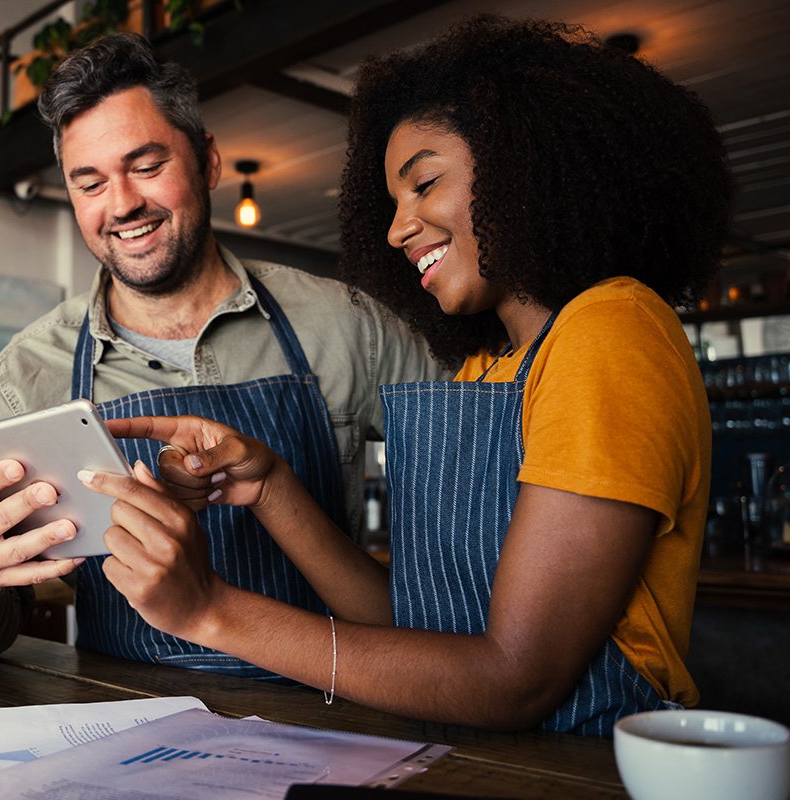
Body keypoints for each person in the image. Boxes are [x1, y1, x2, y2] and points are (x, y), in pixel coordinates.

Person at [78, 15, 731, 735]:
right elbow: (416, 631)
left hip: (585, 765)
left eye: (423, 184)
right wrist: (269, 487)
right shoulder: (492, 369)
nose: (397, 228)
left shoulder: (611, 331)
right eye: (392, 202)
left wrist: (209, 612)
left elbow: (516, 677)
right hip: (481, 762)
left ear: (525, 166)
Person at [0, 32, 443, 677]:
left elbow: (476, 512)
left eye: (147, 165)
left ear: (208, 161)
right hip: (123, 723)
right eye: (90, 183)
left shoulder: (349, 326)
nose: (123, 204)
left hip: (351, 709)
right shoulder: (25, 380)